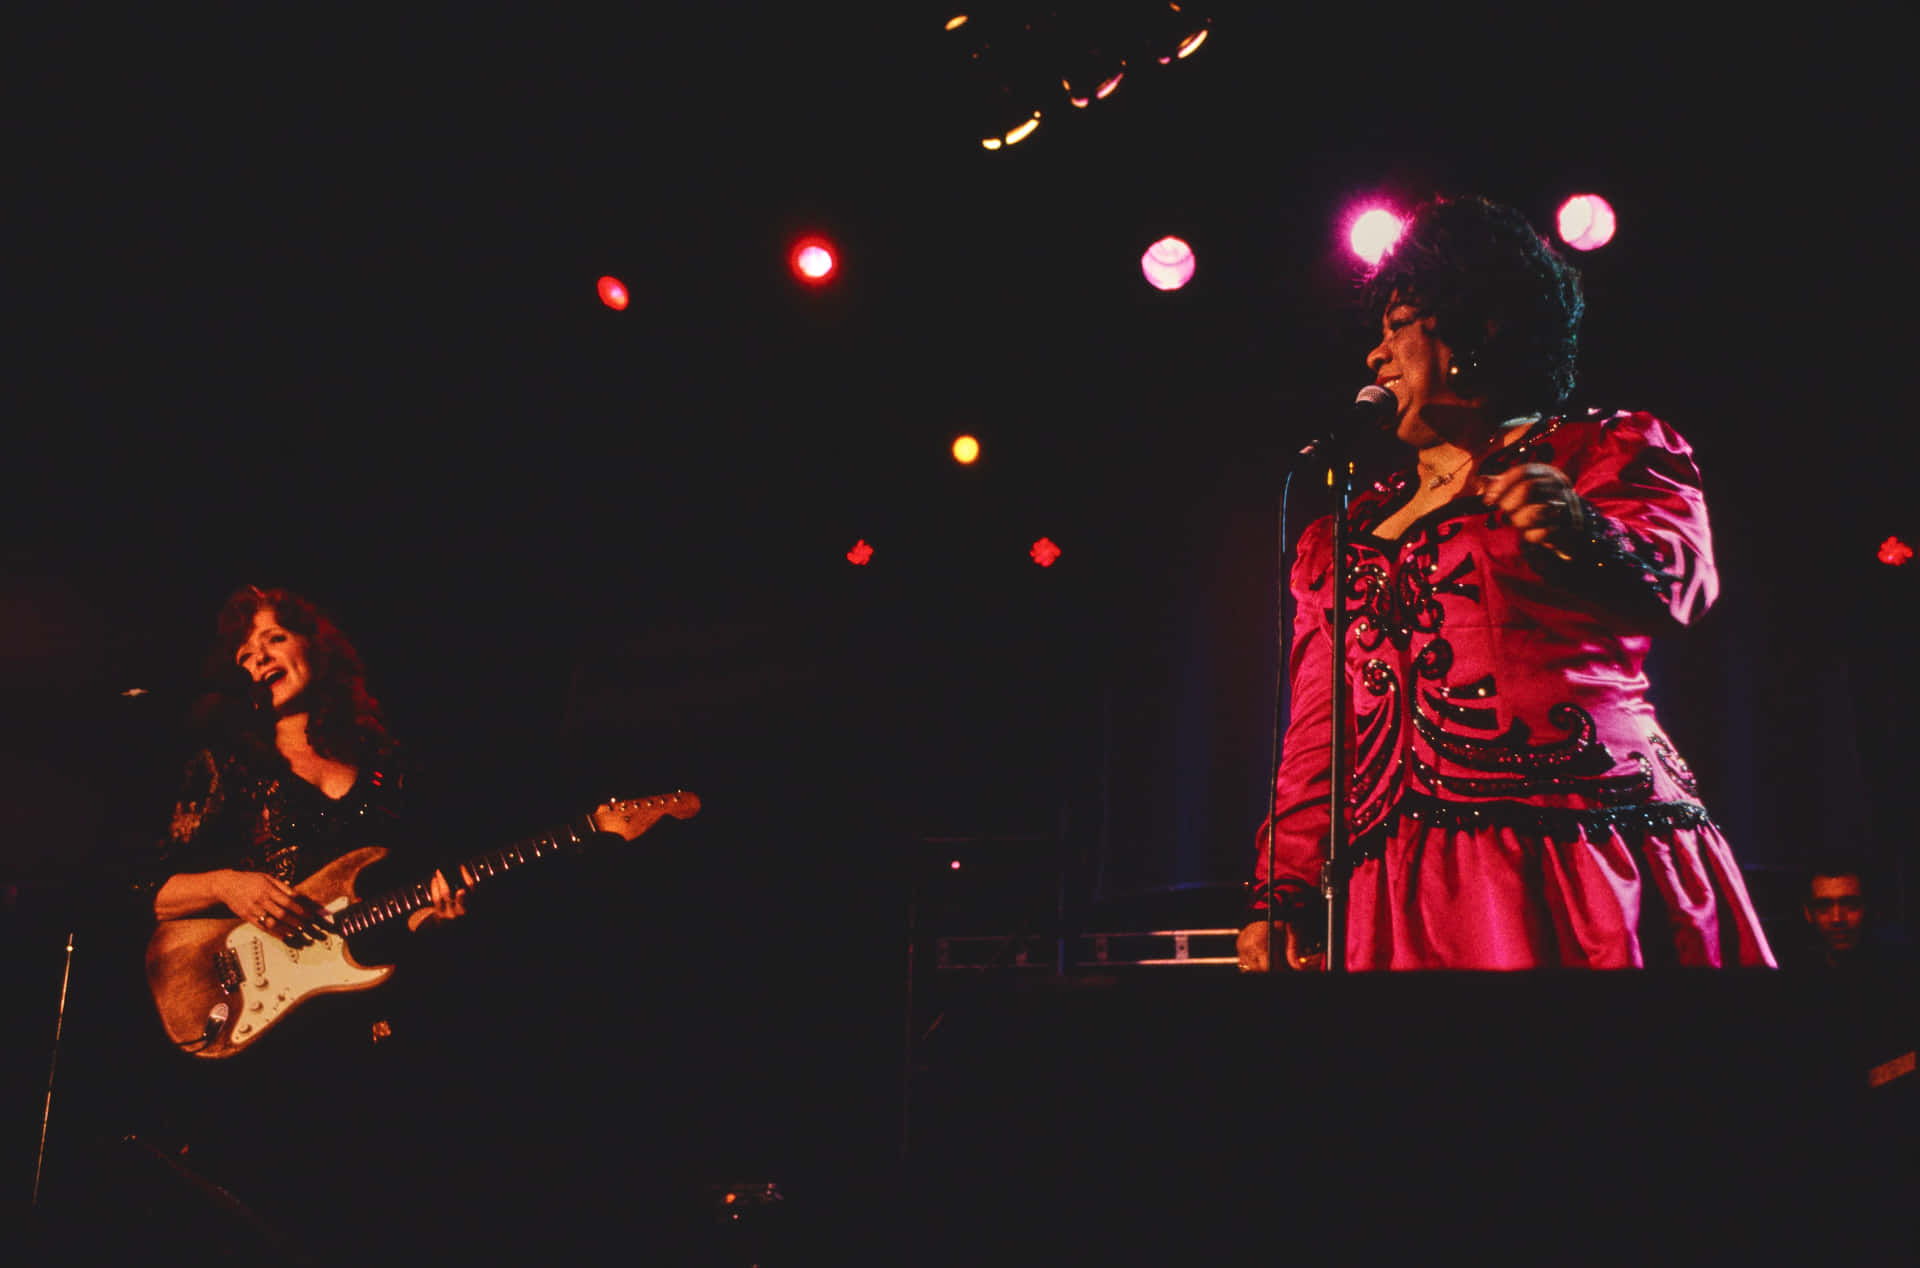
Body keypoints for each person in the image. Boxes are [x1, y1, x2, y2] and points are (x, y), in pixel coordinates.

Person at [1239, 196, 1775, 971]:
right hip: (1393, 880)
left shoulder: (1601, 450)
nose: (1375, 356)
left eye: (1397, 327)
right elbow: (1317, 735)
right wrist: (1279, 890)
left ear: (1478, 329)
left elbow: (1681, 583)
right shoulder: (1340, 534)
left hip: (1575, 851)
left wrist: (1579, 529)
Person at [124, 586, 473, 1260]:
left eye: (273, 638)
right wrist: (231, 883)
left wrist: (432, 918)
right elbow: (145, 891)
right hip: (276, 1036)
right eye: (244, 652)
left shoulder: (388, 769)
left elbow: (412, 894)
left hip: (383, 1027)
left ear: (317, 644)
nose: (256, 656)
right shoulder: (229, 767)